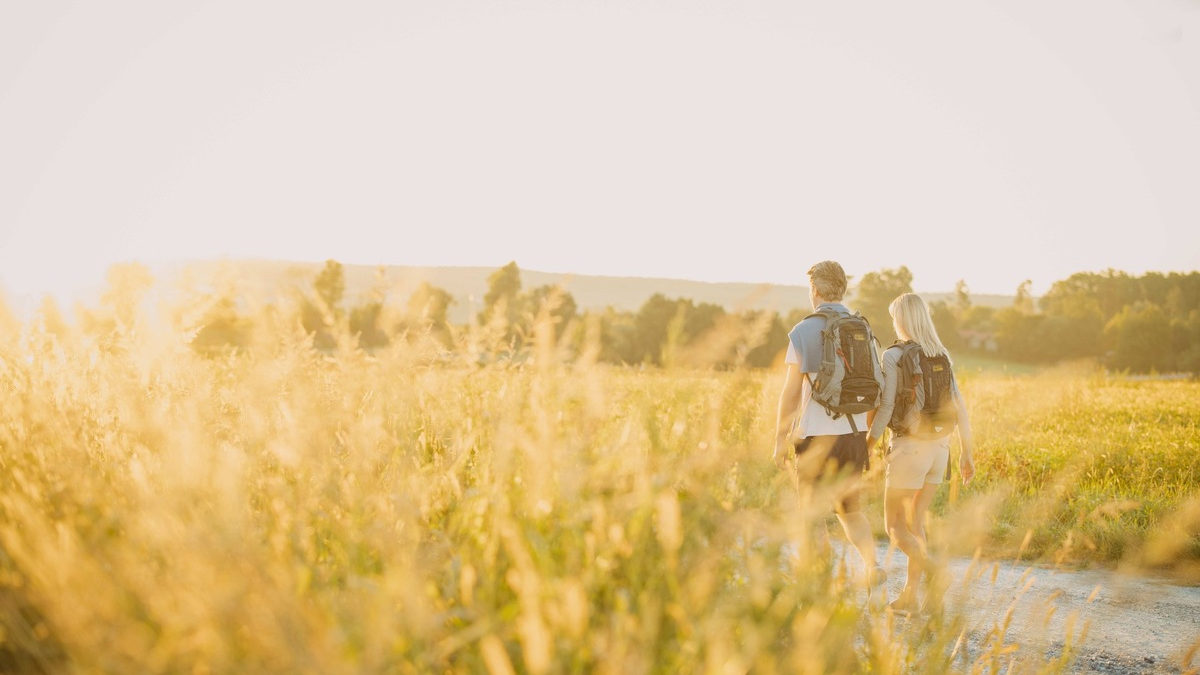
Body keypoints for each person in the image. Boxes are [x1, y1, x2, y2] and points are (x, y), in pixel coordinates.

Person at [773, 260, 888, 609]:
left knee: (812, 513)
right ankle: (872, 565)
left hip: (815, 439)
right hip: (854, 434)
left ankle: (819, 583)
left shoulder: (804, 331)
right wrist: (866, 434)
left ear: (817, 291)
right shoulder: (862, 329)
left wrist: (779, 438)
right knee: (849, 509)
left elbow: (791, 392)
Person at [866, 292, 976, 616]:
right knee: (917, 524)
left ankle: (935, 573)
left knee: (895, 527)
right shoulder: (941, 354)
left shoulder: (894, 356)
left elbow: (886, 406)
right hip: (940, 449)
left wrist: (868, 444)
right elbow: (961, 408)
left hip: (909, 448)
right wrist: (966, 453)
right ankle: (910, 597)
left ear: (901, 319)